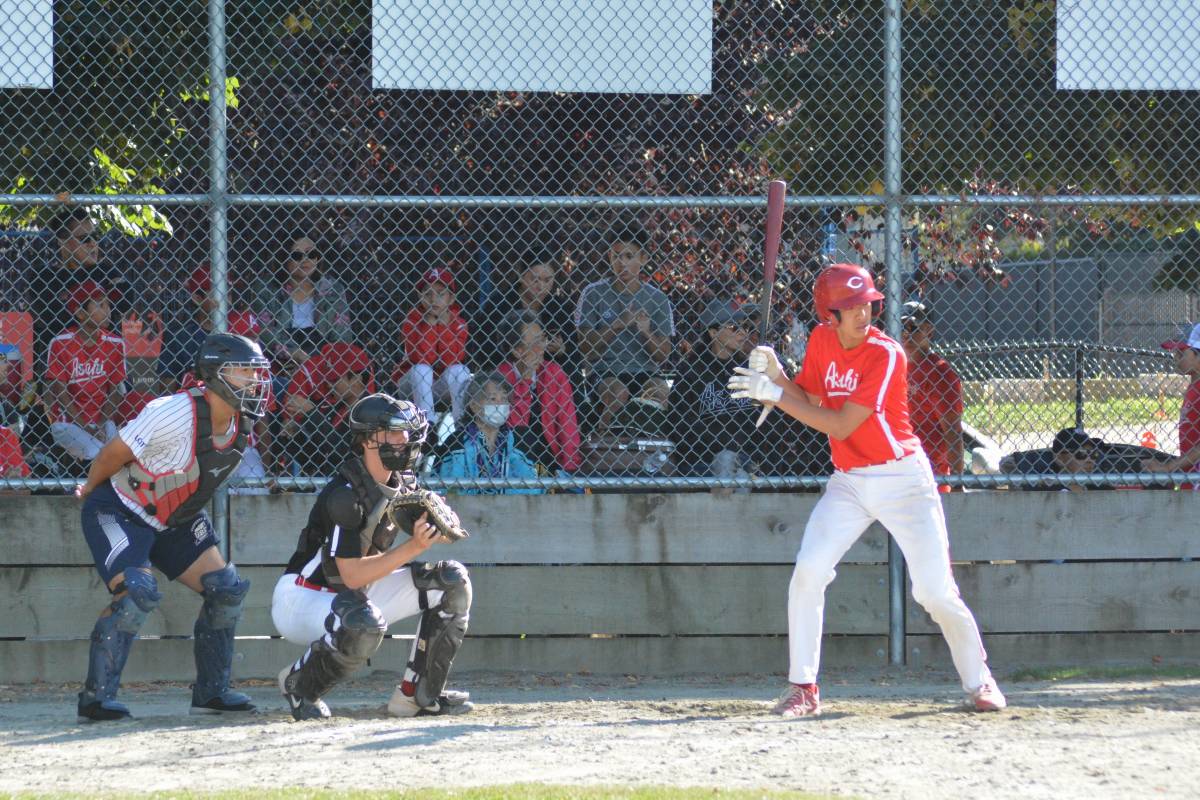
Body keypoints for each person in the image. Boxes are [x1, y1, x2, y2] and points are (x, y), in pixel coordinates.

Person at [727, 262, 1006, 717]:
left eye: (867, 304)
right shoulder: (820, 340)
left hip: (903, 480)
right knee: (809, 571)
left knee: (934, 592)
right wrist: (777, 377)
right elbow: (812, 400)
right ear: (828, 315)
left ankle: (980, 681)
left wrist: (776, 396)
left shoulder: (887, 354)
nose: (863, 313)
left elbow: (839, 422)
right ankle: (803, 689)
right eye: (851, 307)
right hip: (850, 480)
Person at [74, 333, 271, 721]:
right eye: (244, 370)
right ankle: (96, 699)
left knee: (226, 590)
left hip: (173, 520)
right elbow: (113, 454)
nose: (255, 379)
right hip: (119, 509)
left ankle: (212, 692)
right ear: (216, 374)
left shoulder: (241, 423)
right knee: (137, 591)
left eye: (256, 371)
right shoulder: (172, 411)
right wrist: (89, 491)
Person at [272, 393, 474, 720]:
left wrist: (437, 526)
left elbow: (362, 578)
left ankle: (417, 696)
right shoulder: (345, 494)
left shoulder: (404, 483)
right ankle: (300, 684)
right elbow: (350, 575)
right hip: (304, 597)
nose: (403, 440)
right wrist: (413, 547)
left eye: (406, 433)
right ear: (367, 440)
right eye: (393, 433)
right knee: (363, 622)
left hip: (356, 594)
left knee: (452, 582)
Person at [575, 224, 674, 433]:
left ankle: (651, 449)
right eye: (616, 256)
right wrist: (619, 324)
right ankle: (602, 444)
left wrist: (645, 332)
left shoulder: (658, 299)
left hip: (645, 371)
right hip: (605, 372)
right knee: (619, 393)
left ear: (643, 258)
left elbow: (663, 355)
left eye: (629, 256)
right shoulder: (593, 293)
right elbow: (585, 348)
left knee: (660, 392)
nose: (622, 263)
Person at [669, 298, 762, 485]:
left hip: (743, 458)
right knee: (731, 466)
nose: (743, 333)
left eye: (745, 327)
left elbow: (759, 422)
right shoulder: (691, 371)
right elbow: (679, 424)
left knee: (740, 473)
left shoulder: (748, 370)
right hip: (701, 459)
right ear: (713, 332)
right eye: (734, 327)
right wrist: (725, 445)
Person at [45, 280, 127, 462]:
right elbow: (61, 394)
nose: (108, 310)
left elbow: (115, 391)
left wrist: (100, 423)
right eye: (100, 305)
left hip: (102, 421)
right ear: (80, 313)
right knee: (97, 454)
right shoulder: (61, 343)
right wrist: (85, 426)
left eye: (108, 304)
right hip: (68, 422)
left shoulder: (115, 344)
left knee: (121, 455)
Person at [252, 233, 353, 374]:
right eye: (297, 256)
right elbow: (265, 332)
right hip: (278, 363)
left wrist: (320, 363)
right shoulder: (265, 288)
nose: (305, 260)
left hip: (323, 364)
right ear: (284, 258)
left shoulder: (332, 288)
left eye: (311, 254)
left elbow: (342, 336)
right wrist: (293, 353)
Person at [497, 312, 581, 474]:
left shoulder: (554, 373)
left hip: (549, 457)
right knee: (523, 436)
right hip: (512, 458)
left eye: (543, 339)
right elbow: (517, 429)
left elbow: (567, 424)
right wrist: (526, 381)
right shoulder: (500, 377)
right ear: (517, 351)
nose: (543, 347)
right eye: (536, 342)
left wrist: (570, 469)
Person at [471, 246, 577, 373]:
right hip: (508, 373)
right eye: (535, 279)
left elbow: (573, 353)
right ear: (521, 275)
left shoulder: (560, 309)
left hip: (547, 376)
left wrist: (562, 350)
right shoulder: (499, 305)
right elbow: (487, 350)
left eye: (548, 280)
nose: (541, 286)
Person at [437, 371, 542, 494]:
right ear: (474, 406)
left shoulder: (520, 441)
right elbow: (446, 490)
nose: (500, 404)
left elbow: (534, 489)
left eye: (504, 398)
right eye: (493, 398)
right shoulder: (457, 441)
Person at [900, 301, 963, 493]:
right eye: (901, 327)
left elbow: (952, 431)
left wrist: (957, 483)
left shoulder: (940, 373)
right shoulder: (893, 367)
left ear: (928, 330)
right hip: (894, 473)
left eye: (912, 327)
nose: (906, 334)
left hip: (929, 477)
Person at [395, 267, 472, 423]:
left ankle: (462, 425)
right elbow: (422, 358)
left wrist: (443, 327)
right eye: (427, 293)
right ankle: (426, 425)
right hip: (411, 385)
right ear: (420, 296)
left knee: (460, 370)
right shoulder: (412, 320)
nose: (433, 299)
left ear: (451, 298)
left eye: (440, 293)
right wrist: (429, 326)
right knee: (421, 369)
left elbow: (451, 359)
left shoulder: (459, 323)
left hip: (442, 386)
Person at [1143, 322, 1200, 489]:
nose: (1175, 357)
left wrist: (1168, 468)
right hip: (1191, 478)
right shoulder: (1193, 387)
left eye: (1182, 353)